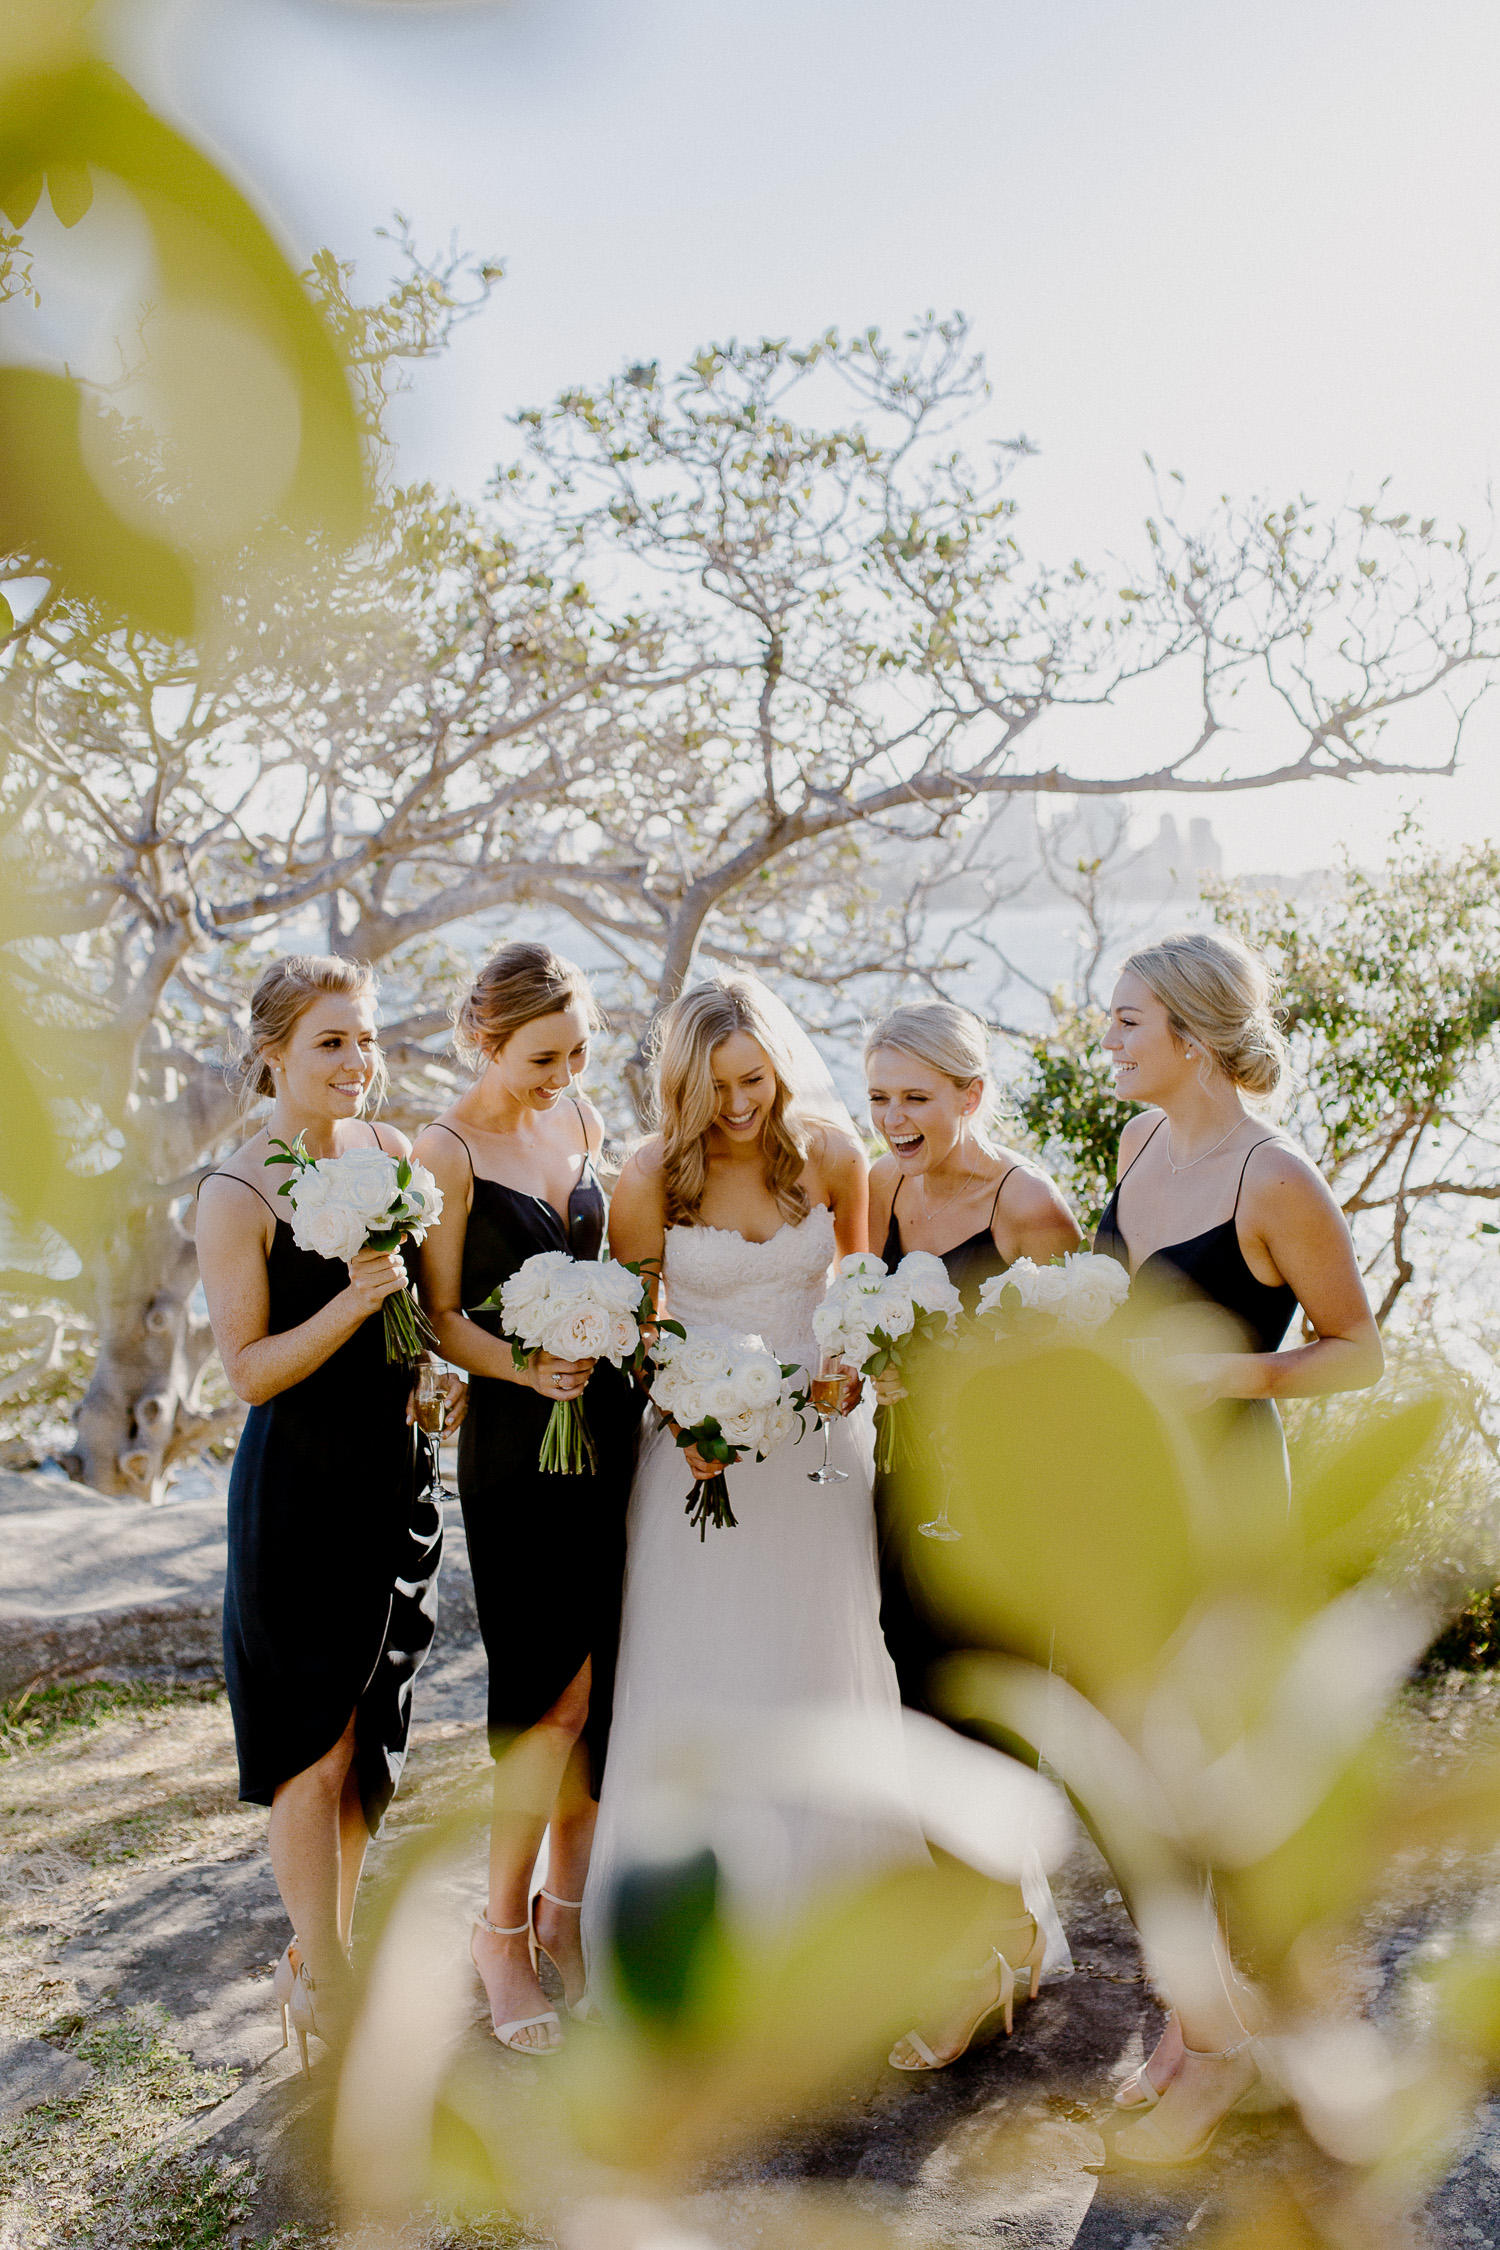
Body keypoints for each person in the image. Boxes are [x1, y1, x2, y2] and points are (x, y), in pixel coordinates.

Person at [1094, 927, 1382, 2165]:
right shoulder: (1138, 1142)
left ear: (1194, 1041)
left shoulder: (1276, 1179)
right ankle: (1200, 2014)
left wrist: (1239, 1371)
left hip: (1225, 1499)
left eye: (1124, 1024)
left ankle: (1221, 2046)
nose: (1105, 1042)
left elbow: (1358, 1346)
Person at [584, 975, 927, 1975]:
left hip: (816, 1462)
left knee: (820, 1667)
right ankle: (692, 1939)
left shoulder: (831, 1155)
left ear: (776, 1062)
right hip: (694, 1457)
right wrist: (682, 1408)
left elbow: (859, 1295)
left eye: (753, 1079)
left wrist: (846, 1365)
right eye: (716, 1089)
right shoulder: (650, 1179)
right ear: (682, 1090)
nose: (739, 1106)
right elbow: (636, 1328)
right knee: (698, 1677)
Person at [197, 955, 456, 2069]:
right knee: (312, 1743)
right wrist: (353, 1299)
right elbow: (248, 1373)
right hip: (297, 1492)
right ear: (274, 1056)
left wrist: (429, 1370)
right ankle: (338, 1988)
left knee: (370, 1746)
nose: (358, 1062)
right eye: (331, 1044)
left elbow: (416, 1320)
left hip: (394, 1481)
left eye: (366, 1039)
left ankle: (317, 1963)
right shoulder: (237, 1192)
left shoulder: (394, 1157)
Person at [415, 943, 642, 2056]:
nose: (564, 1073)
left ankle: (569, 1912)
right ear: (483, 1039)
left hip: (608, 1432)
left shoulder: (586, 1121)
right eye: (542, 1056)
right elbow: (442, 1316)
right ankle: (500, 1932)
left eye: (578, 1052)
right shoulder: (446, 1150)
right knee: (541, 1702)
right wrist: (525, 1367)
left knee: (600, 1699)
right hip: (518, 1446)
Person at [863, 1000, 1081, 2069]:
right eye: (881, 1097)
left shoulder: (1029, 1207)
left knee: (987, 1716)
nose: (895, 1118)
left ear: (970, 1094)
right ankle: (1008, 1934)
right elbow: (857, 1317)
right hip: (902, 1491)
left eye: (917, 1097)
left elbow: (1078, 1378)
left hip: (1002, 1510)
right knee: (916, 1711)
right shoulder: (883, 1186)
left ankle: (989, 1953)